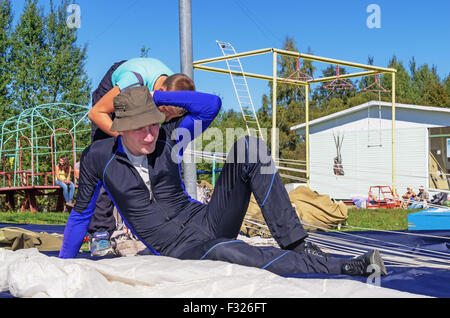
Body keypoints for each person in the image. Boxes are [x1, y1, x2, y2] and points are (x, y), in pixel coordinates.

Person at [59, 87, 387, 278]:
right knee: (230, 250)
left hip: (208, 218)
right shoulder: (98, 158)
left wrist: (153, 96)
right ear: (120, 127)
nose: (150, 134)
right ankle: (343, 266)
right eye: (140, 128)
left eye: (154, 124)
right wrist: (63, 266)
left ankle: (298, 244)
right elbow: (80, 215)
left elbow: (211, 105)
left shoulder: (169, 138)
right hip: (180, 248)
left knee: (250, 147)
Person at [87, 57, 191, 257]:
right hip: (112, 98)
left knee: (155, 158)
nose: (165, 120)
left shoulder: (176, 87)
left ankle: (155, 227)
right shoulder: (131, 83)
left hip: (148, 91)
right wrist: (124, 138)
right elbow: (95, 113)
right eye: (164, 113)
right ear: (159, 95)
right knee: (108, 161)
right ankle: (99, 233)